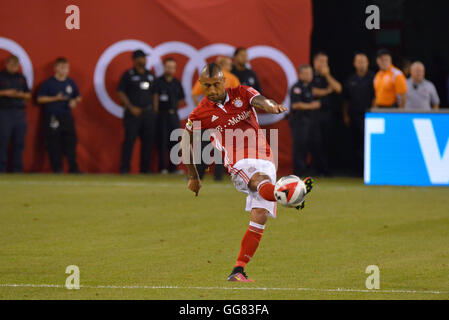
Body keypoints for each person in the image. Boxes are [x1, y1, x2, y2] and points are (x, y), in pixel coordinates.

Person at [181, 62, 313, 282]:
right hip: (238, 163)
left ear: (224, 81)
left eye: (215, 84)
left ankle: (238, 270)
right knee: (257, 182)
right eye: (207, 86)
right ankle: (288, 194)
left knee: (259, 217)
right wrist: (194, 177)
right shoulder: (200, 113)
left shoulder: (241, 92)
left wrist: (271, 106)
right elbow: (186, 142)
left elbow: (261, 100)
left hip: (266, 158)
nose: (212, 90)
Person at [192, 56, 239, 180]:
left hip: (207, 117)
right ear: (224, 65)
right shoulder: (232, 78)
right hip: (224, 117)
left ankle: (198, 175)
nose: (231, 67)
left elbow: (195, 94)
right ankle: (218, 176)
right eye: (229, 64)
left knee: (202, 147)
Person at [37, 57, 82, 173]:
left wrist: (74, 101)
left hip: (66, 116)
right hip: (53, 116)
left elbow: (78, 96)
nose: (64, 70)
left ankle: (73, 168)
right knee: (54, 143)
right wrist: (55, 98)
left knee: (71, 142)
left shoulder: (70, 82)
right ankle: (57, 169)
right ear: (55, 68)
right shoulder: (48, 83)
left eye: (66, 67)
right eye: (61, 67)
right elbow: (40, 99)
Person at [117, 49, 156, 174]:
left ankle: (145, 169)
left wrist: (154, 110)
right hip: (133, 113)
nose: (145, 60)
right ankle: (125, 168)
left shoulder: (150, 75)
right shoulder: (128, 75)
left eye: (145, 58)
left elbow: (155, 93)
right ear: (135, 60)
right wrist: (130, 107)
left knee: (148, 142)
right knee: (129, 141)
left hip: (148, 113)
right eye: (142, 58)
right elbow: (120, 92)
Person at [343, 53, 375, 176]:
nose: (361, 64)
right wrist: (345, 115)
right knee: (355, 143)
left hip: (369, 116)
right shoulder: (351, 79)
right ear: (354, 64)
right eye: (359, 61)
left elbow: (376, 96)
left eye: (364, 61)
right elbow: (346, 100)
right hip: (354, 115)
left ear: (367, 63)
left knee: (367, 144)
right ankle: (356, 171)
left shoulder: (374, 78)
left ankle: (367, 170)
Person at [311, 52, 342, 176]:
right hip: (314, 114)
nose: (324, 64)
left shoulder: (329, 76)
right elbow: (311, 91)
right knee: (315, 142)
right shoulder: (310, 75)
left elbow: (338, 88)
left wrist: (327, 75)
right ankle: (316, 169)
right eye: (321, 61)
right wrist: (326, 91)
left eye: (326, 61)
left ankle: (326, 170)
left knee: (327, 142)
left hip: (328, 114)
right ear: (315, 63)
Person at [153, 57, 185, 173]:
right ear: (164, 67)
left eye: (172, 67)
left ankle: (174, 168)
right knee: (162, 140)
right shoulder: (158, 81)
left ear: (175, 69)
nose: (170, 69)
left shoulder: (176, 82)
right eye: (168, 67)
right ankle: (162, 168)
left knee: (175, 141)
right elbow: (154, 97)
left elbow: (182, 98)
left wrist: (174, 106)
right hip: (161, 115)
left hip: (173, 115)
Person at [289, 64, 322, 177]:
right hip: (299, 121)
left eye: (310, 73)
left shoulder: (310, 87)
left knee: (311, 145)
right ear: (300, 74)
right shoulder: (297, 87)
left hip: (310, 121)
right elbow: (296, 105)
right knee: (300, 146)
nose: (309, 76)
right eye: (307, 73)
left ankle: (310, 170)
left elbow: (320, 93)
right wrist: (311, 106)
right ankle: (299, 171)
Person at [0, 55, 31, 173]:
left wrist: (18, 95)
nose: (14, 67)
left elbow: (27, 95)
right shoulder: (1, 76)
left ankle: (17, 170)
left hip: (19, 112)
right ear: (7, 64)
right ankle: (1, 170)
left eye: (16, 65)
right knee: (3, 141)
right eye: (12, 64)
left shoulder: (21, 78)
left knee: (19, 142)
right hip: (4, 112)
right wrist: (5, 93)